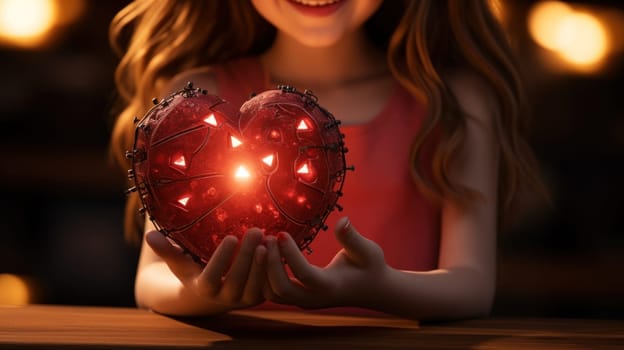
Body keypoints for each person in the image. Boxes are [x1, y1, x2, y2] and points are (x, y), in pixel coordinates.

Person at [109, 0, 544, 320]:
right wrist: (208, 293)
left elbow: (471, 286)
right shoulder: (191, 107)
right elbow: (152, 282)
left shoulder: (452, 105)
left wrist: (376, 287)